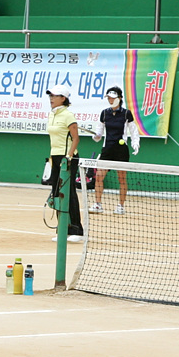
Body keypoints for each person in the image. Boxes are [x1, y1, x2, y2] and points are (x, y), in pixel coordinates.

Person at [87, 86, 139, 215]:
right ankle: (98, 204)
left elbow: (133, 130)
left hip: (121, 150)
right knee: (99, 177)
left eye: (113, 98)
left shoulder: (126, 113)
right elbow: (99, 132)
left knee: (121, 179)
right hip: (107, 149)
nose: (110, 100)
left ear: (120, 98)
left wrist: (135, 143)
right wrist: (96, 136)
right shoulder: (104, 113)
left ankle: (121, 206)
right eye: (109, 98)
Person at [45, 84, 83, 243]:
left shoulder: (68, 115)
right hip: (55, 156)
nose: (51, 99)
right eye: (50, 96)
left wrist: (68, 157)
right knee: (57, 192)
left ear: (63, 98)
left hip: (68, 158)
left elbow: (76, 138)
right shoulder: (51, 115)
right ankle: (63, 229)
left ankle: (76, 230)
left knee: (69, 192)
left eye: (55, 96)